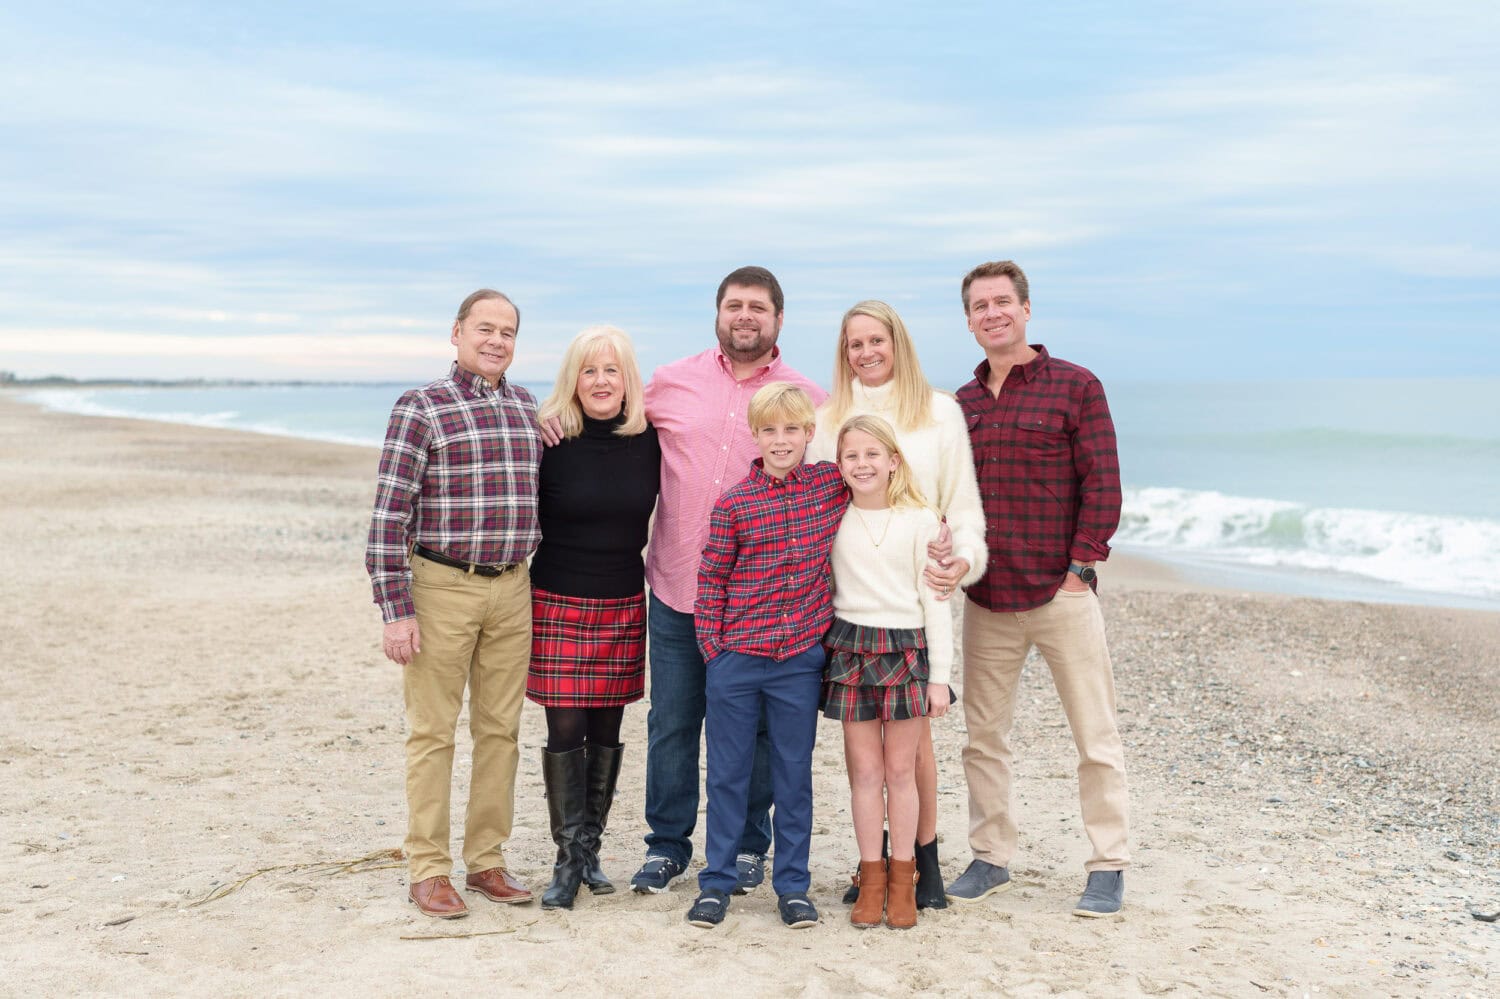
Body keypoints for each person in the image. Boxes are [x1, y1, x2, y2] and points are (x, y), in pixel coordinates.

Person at [630, 267, 827, 895]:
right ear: (718, 313)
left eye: (759, 308)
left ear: (778, 320)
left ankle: (748, 845)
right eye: (735, 305)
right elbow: (604, 412)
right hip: (676, 587)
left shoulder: (808, 397)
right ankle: (667, 844)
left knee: (761, 731)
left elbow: (851, 472)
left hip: (760, 607)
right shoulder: (669, 382)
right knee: (673, 722)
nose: (746, 316)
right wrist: (552, 421)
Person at [945, 260, 1129, 917]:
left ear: (1026, 309)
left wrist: (1082, 570)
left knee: (1095, 734)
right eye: (979, 306)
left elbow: (1102, 484)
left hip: (1061, 593)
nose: (992, 313)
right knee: (982, 738)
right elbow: (947, 498)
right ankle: (991, 855)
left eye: (1002, 302)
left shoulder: (1076, 386)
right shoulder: (958, 407)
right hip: (988, 599)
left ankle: (1107, 863)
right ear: (968, 320)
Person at [365, 289, 541, 919]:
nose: (497, 340)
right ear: (458, 332)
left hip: (512, 587)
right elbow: (389, 514)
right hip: (441, 586)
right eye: (485, 328)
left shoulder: (527, 407)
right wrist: (396, 608)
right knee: (433, 733)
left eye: (508, 331)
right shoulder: (422, 407)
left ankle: (488, 861)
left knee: (501, 731)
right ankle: (429, 870)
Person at [807, 300, 985, 909]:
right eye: (854, 343)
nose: (866, 352)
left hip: (919, 586)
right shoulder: (829, 420)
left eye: (875, 340)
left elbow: (962, 504)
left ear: (897, 342)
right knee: (872, 762)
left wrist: (961, 559)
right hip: (857, 603)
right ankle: (880, 866)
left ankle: (921, 863)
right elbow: (816, 512)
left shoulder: (939, 412)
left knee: (914, 754)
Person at [684, 383, 847, 930]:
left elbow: (885, 485)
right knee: (727, 774)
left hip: (799, 659)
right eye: (770, 431)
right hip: (736, 658)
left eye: (792, 430)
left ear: (809, 433)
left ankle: (793, 887)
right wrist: (714, 650)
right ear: (755, 436)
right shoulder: (735, 501)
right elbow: (711, 578)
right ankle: (717, 884)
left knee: (792, 775)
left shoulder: (829, 485)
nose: (782, 441)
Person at [527, 326, 661, 910]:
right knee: (565, 732)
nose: (601, 381)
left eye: (612, 370)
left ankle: (590, 850)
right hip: (556, 599)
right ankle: (567, 859)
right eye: (589, 370)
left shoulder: (652, 437)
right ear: (573, 380)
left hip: (624, 600)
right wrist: (534, 420)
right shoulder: (548, 438)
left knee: (608, 732)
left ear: (628, 379)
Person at [824, 414, 954, 930]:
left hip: (906, 651)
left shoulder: (921, 519)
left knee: (902, 772)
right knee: (865, 773)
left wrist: (939, 677)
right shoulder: (832, 514)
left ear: (894, 462)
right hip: (850, 647)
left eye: (873, 455)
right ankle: (871, 877)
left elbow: (936, 602)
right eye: (851, 456)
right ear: (839, 465)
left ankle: (905, 879)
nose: (862, 464)